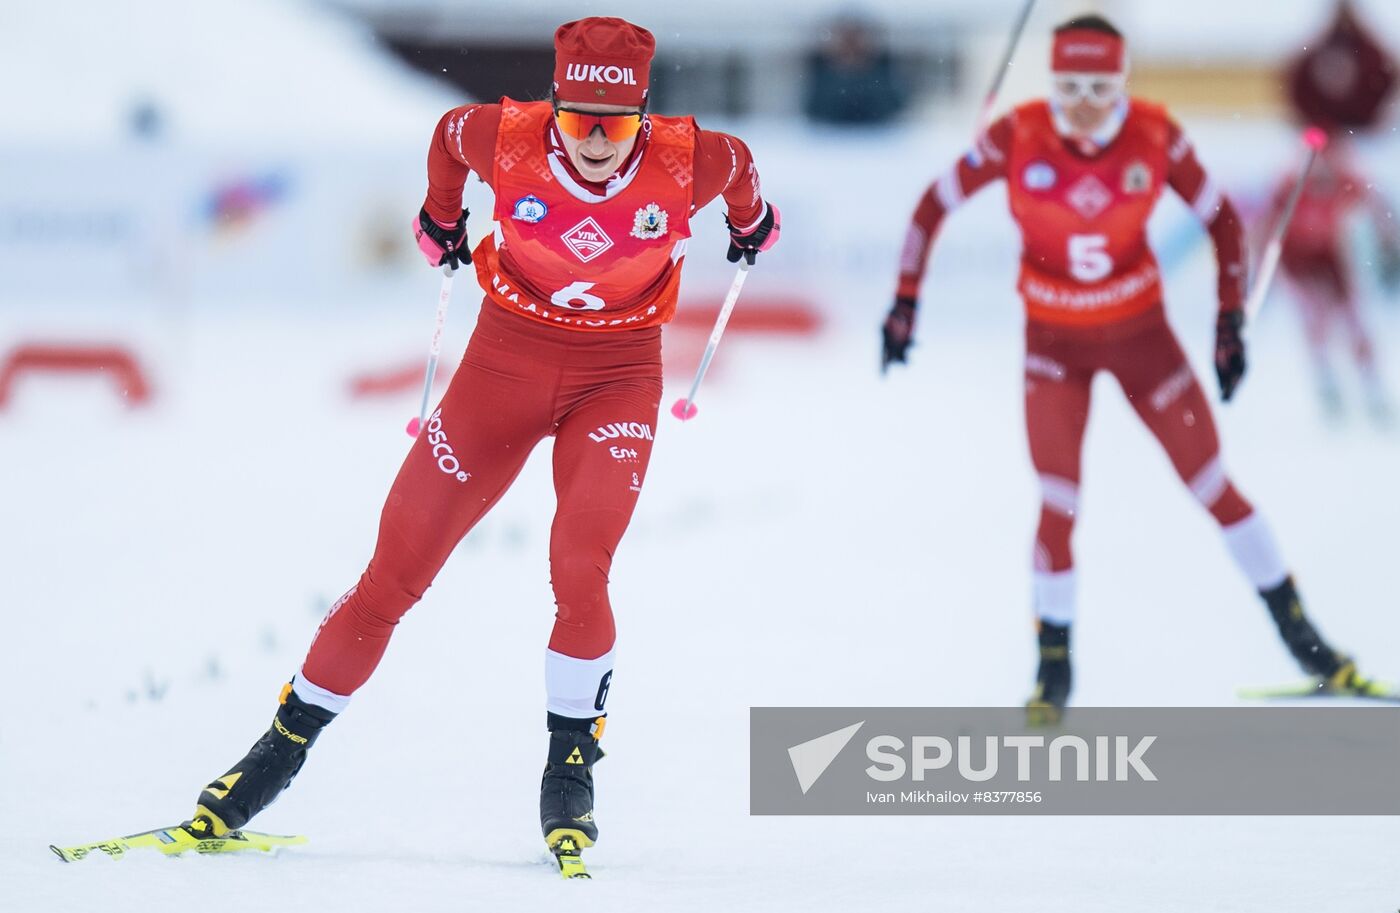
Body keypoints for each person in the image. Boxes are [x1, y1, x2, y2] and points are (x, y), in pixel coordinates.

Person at [188, 16, 779, 865]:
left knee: (580, 562)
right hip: (501, 369)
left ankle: (569, 769)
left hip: (616, 378)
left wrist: (752, 221)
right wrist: (439, 216)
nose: (597, 146)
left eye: (615, 127)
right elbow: (445, 138)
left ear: (644, 117)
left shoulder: (694, 157)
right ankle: (273, 754)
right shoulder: (502, 137)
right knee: (394, 571)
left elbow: (745, 175)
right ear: (555, 109)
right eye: (578, 124)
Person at [880, 14, 1374, 723]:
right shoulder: (1018, 134)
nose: (1082, 101)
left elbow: (1223, 220)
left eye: (1099, 86)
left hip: (1144, 342)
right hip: (1054, 349)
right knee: (1057, 502)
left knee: (1213, 485)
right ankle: (1054, 672)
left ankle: (1310, 646)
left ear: (1121, 84)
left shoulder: (1154, 133)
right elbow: (932, 207)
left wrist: (1228, 321)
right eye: (1069, 85)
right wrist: (904, 303)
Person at [1265, 140, 1400, 422]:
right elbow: (1266, 223)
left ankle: (1373, 388)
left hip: (1329, 257)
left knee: (1353, 321)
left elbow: (1375, 203)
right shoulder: (1291, 185)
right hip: (1298, 261)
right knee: (1317, 319)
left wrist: (1389, 239)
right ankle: (1327, 382)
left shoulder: (1344, 180)